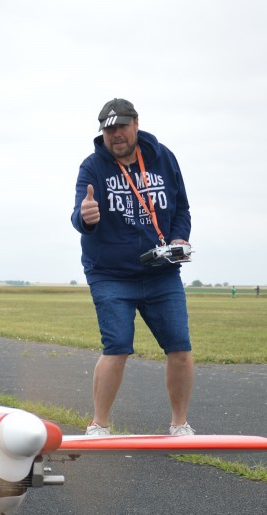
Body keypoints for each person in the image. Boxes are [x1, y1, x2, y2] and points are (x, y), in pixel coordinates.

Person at [71, 97, 194, 437]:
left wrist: (180, 238)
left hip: (161, 273)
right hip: (111, 275)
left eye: (121, 126)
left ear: (136, 123)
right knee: (118, 346)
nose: (116, 135)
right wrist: (86, 217)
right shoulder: (93, 167)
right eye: (108, 129)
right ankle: (99, 425)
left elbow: (182, 208)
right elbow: (79, 215)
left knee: (180, 348)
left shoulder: (164, 158)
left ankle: (179, 424)